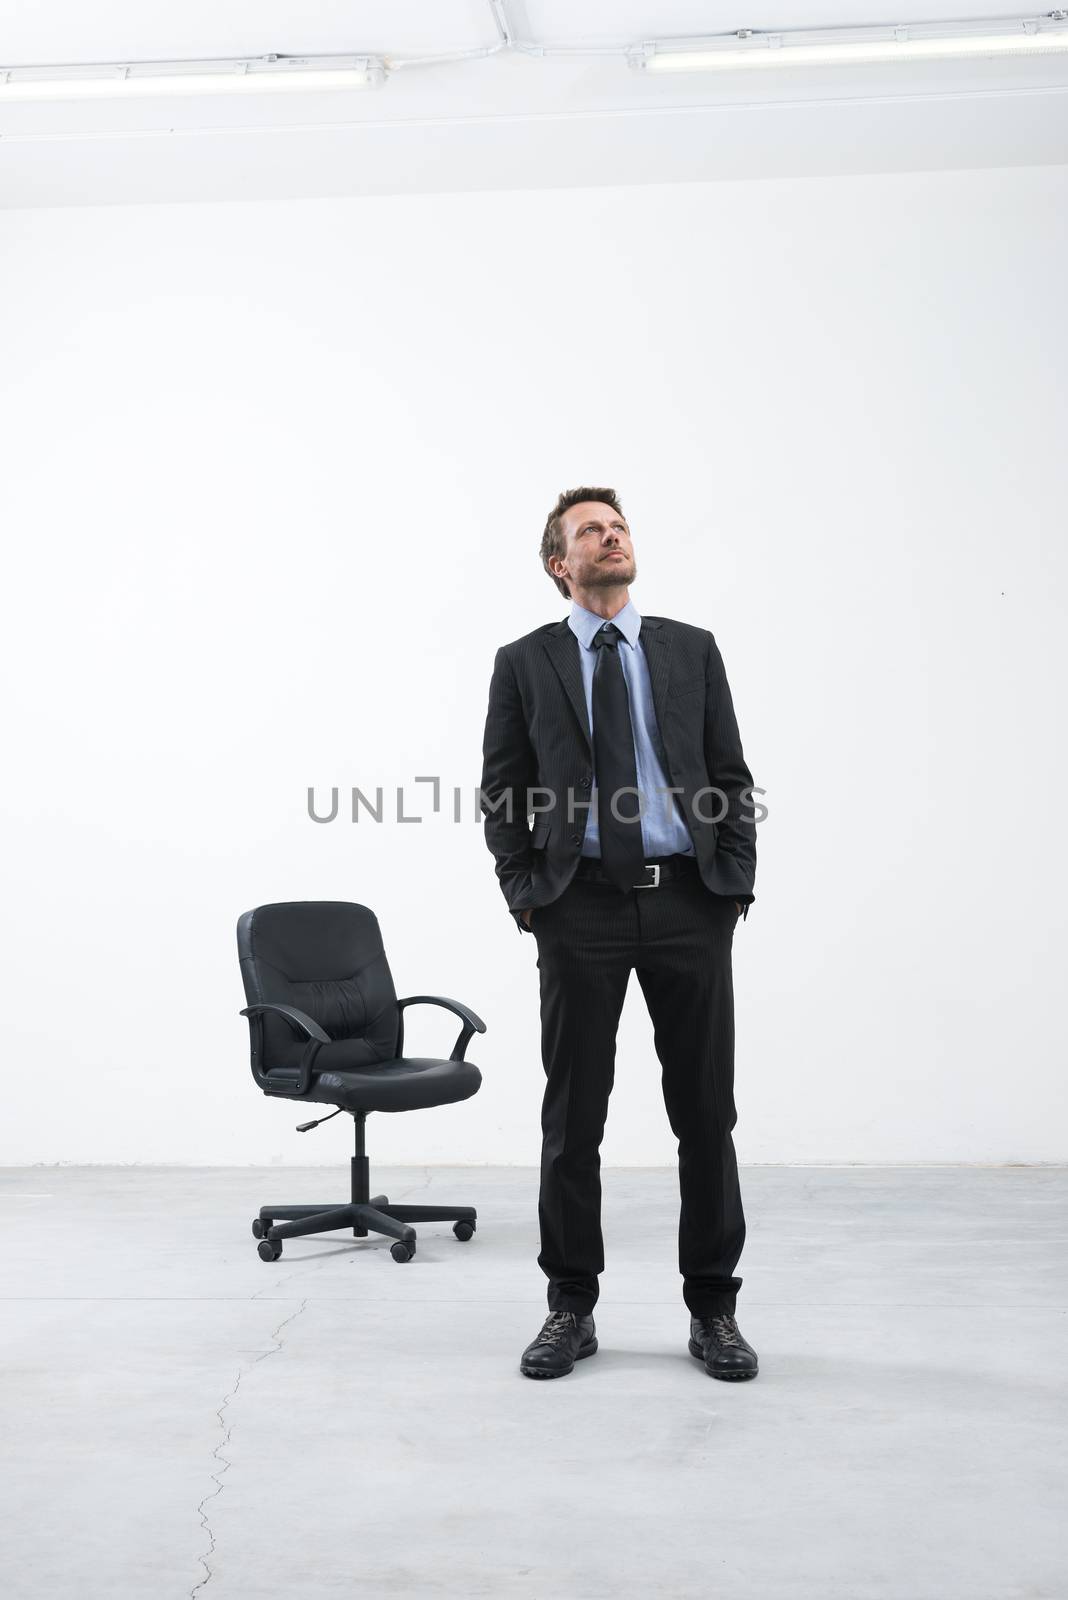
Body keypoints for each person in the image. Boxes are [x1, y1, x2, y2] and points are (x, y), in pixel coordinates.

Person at [480, 486, 760, 1382]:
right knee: (572, 1121)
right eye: (591, 532)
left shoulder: (689, 649)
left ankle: (714, 1310)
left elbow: (729, 773)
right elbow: (502, 790)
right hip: (581, 908)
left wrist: (731, 886)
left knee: (706, 1116)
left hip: (687, 903)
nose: (612, 538)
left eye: (619, 526)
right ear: (560, 564)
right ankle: (571, 1307)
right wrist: (530, 896)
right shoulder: (524, 662)